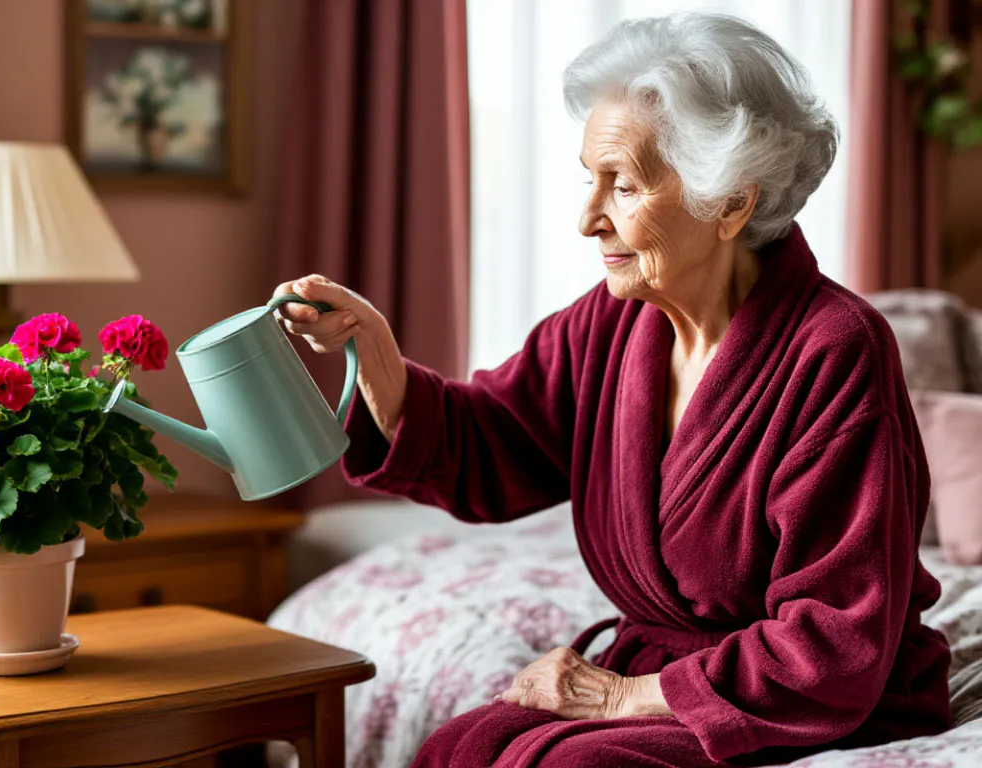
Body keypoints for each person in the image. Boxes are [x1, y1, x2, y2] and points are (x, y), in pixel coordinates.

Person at [273, 12, 951, 768]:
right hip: (668, 677)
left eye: (622, 185)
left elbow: (834, 638)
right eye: (588, 180)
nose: (587, 218)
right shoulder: (610, 325)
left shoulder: (835, 349)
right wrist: (374, 350)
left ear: (731, 202)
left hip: (806, 700)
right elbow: (493, 437)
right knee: (463, 744)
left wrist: (619, 696)